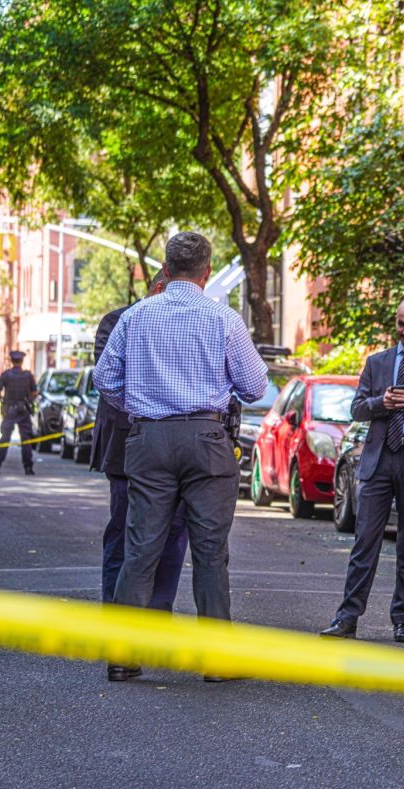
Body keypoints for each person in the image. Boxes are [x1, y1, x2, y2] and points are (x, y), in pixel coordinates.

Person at [93, 231, 268, 683]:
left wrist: (139, 404)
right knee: (210, 552)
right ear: (207, 273)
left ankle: (124, 655)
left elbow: (105, 379)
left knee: (140, 548)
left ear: (166, 270)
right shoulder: (222, 318)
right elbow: (253, 386)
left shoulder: (136, 316)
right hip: (207, 441)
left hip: (148, 440)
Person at [320, 298, 404, 642]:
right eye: (401, 324)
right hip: (378, 461)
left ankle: (402, 620)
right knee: (364, 544)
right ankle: (347, 618)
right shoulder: (377, 363)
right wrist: (382, 402)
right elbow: (357, 408)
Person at [91, 274, 190, 627]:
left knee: (174, 532)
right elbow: (108, 380)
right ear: (160, 289)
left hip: (172, 444)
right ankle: (116, 615)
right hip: (125, 446)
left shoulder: (184, 323)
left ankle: (157, 617)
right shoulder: (118, 321)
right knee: (123, 529)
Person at [0, 351, 37, 475]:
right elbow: (34, 393)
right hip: (23, 410)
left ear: (11, 361)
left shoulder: (6, 375)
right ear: (22, 361)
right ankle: (28, 467)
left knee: (5, 438)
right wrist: (28, 401)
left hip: (9, 410)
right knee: (26, 440)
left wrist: (4, 401)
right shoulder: (28, 375)